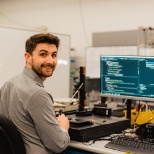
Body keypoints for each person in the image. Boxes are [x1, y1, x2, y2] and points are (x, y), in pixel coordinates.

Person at [0, 33, 70, 154]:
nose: (50, 61)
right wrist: (64, 126)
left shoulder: (9, 83)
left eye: (53, 55)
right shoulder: (37, 93)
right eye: (43, 54)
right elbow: (58, 144)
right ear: (28, 57)